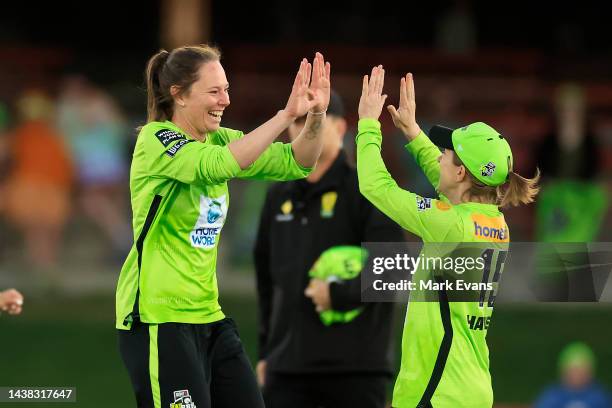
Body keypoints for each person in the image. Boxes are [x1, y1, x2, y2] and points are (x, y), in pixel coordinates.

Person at [115, 45, 331, 408]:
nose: (225, 100)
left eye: (227, 89)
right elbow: (218, 166)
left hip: (209, 317)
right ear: (179, 95)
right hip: (158, 319)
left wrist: (316, 116)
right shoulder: (157, 140)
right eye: (214, 91)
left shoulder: (220, 139)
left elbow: (298, 162)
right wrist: (284, 115)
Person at [355, 66, 539, 407]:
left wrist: (367, 125)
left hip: (435, 391)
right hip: (470, 385)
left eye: (447, 154)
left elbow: (374, 185)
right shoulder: (495, 223)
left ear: (459, 172)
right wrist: (412, 133)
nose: (439, 156)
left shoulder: (449, 226)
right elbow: (452, 187)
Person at [254, 91, 404, 408]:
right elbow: (267, 279)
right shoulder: (278, 193)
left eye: (314, 121)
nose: (302, 130)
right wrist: (266, 351)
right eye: (296, 121)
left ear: (339, 128)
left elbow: (393, 267)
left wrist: (338, 294)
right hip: (287, 369)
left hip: (355, 371)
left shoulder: (368, 190)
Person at [534, 342, 611, 408]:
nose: (577, 376)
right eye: (573, 371)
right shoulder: (552, 396)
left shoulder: (599, 397)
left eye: (582, 372)